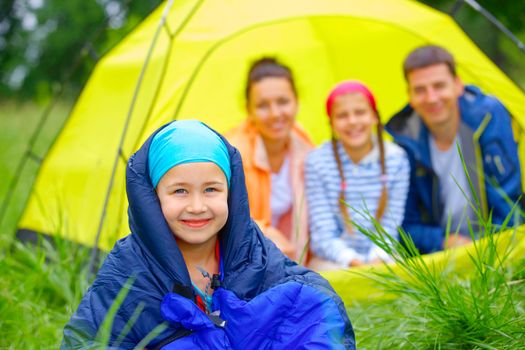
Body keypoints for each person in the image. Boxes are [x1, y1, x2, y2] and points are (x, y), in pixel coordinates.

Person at [61, 120, 355, 349]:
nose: (197, 206)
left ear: (231, 191)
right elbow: (90, 340)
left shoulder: (254, 250)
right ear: (152, 197)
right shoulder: (127, 269)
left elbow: (310, 306)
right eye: (179, 191)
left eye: (211, 190)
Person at [386, 45, 523, 254]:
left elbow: (509, 203)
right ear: (410, 96)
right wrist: (444, 241)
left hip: (498, 244)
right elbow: (404, 226)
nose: (431, 98)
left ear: (458, 85)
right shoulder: (405, 142)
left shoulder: (489, 118)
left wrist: (490, 252)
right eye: (420, 90)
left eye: (439, 86)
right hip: (442, 254)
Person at [305, 81, 410, 270]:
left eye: (360, 112)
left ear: (375, 117)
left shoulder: (397, 159)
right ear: (332, 124)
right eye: (342, 116)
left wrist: (376, 260)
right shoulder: (317, 162)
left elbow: (390, 225)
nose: (352, 121)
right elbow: (322, 233)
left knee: (397, 272)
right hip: (335, 260)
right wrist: (353, 262)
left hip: (381, 255)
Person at [226, 57, 313, 262]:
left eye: (283, 102)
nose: (275, 114)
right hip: (246, 261)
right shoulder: (233, 154)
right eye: (263, 105)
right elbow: (224, 218)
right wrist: (264, 233)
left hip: (296, 262)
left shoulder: (305, 146)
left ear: (296, 102)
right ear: (249, 110)